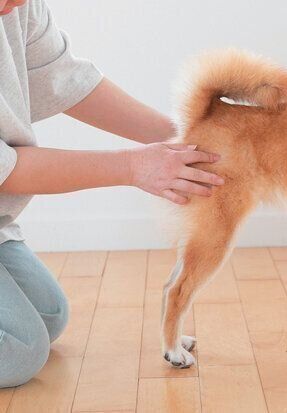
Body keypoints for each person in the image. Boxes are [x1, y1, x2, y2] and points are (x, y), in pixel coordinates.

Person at [0, 0, 224, 387]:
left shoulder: (17, 7)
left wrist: (190, 139)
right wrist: (133, 167)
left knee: (50, 315)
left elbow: (64, 79)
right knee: (20, 349)